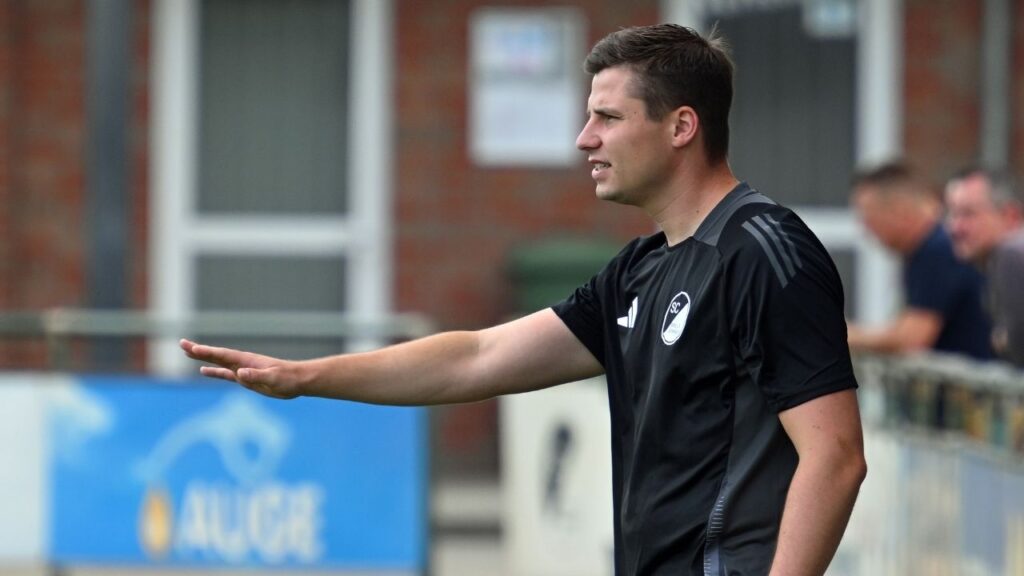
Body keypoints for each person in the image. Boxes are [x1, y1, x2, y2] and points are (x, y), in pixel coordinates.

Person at [182, 24, 866, 576]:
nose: (584, 139)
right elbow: (476, 358)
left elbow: (834, 456)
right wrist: (306, 378)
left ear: (681, 126)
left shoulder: (765, 252)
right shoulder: (640, 269)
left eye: (607, 117)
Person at [847, 161, 994, 360]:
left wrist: (839, 334)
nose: (866, 229)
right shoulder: (932, 247)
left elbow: (911, 339)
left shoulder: (937, 249)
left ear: (899, 211)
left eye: (869, 216)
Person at [946, 166, 1024, 367]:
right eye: (952, 214)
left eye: (968, 214)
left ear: (1011, 216)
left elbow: (1018, 349)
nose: (955, 227)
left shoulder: (1011, 255)